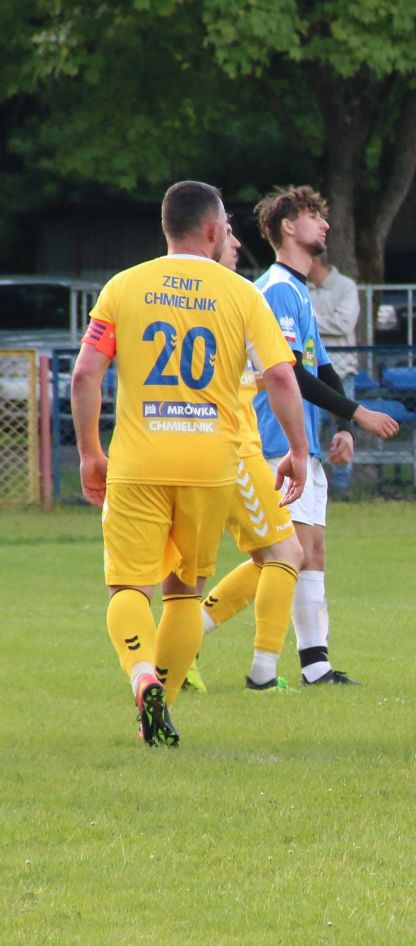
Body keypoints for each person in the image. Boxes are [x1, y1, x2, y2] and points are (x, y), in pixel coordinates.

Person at [70, 180, 308, 745]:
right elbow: (280, 376)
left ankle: (141, 675)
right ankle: (160, 712)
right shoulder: (241, 293)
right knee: (183, 592)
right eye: (226, 226)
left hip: (139, 462)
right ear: (211, 229)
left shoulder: (123, 286)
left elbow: (84, 375)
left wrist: (89, 453)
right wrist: (298, 451)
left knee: (130, 589)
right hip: (211, 464)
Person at [199, 185, 400, 687]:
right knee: (282, 555)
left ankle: (314, 663)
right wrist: (359, 413)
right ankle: (195, 632)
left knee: (308, 552)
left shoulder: (298, 291)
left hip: (300, 444)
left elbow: (322, 369)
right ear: (288, 227)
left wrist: (342, 427)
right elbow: (286, 370)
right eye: (314, 216)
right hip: (272, 442)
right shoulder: (274, 290)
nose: (325, 225)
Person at [308, 252, 361, 496]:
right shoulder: (301, 287)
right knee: (311, 427)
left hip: (341, 371)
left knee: (342, 426)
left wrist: (308, 319)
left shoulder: (345, 286)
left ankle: (342, 486)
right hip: (310, 371)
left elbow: (345, 323)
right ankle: (309, 480)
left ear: (316, 260)